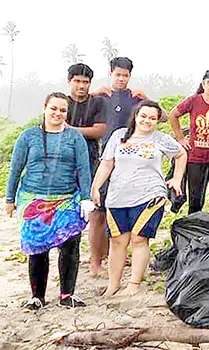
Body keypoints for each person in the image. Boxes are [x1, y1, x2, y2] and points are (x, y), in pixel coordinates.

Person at [4, 92, 95, 309]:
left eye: (63, 110)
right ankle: (37, 296)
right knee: (37, 247)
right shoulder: (28, 137)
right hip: (32, 200)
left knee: (70, 245)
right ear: (44, 108)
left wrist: (86, 199)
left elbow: (83, 169)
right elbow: (15, 169)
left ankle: (67, 294)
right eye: (53, 108)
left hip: (66, 199)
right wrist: (10, 198)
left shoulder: (75, 138)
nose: (58, 113)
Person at [92, 100, 187, 297]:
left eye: (152, 118)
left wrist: (177, 179)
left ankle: (134, 283)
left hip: (149, 195)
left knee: (138, 238)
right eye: (143, 116)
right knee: (118, 241)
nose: (147, 121)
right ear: (136, 116)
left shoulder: (160, 139)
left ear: (157, 121)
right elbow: (107, 164)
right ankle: (113, 284)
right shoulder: (119, 136)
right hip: (117, 197)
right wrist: (95, 187)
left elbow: (181, 154)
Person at [90, 57, 147, 273]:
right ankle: (96, 262)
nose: (122, 79)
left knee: (125, 211)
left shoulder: (135, 99)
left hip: (129, 163)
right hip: (102, 160)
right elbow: (78, 107)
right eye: (118, 74)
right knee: (98, 212)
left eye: (125, 75)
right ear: (110, 73)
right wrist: (93, 94)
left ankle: (118, 256)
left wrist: (146, 98)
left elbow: (159, 116)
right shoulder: (101, 97)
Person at [168, 70, 209, 216]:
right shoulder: (193, 101)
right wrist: (180, 138)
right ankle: (194, 230)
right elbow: (173, 115)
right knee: (195, 200)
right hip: (195, 159)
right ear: (204, 84)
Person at [65, 63, 109, 277]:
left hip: (92, 163)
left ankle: (96, 264)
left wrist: (71, 130)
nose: (81, 85)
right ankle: (65, 264)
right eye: (77, 81)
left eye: (85, 82)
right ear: (69, 81)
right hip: (63, 166)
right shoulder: (61, 103)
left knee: (96, 214)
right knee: (65, 215)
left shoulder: (97, 102)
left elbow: (100, 130)